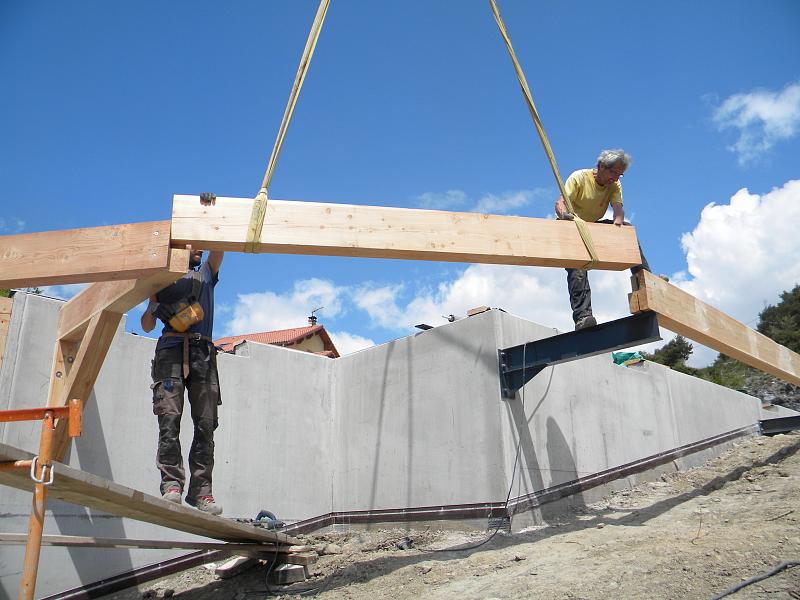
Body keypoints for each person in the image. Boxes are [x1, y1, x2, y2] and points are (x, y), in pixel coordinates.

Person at [141, 192, 224, 515]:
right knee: (169, 419)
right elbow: (147, 324)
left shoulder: (204, 274)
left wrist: (211, 214)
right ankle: (171, 485)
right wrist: (156, 303)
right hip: (170, 351)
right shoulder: (161, 278)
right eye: (192, 243)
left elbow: (219, 247)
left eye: (199, 244)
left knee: (205, 423)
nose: (199, 248)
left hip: (202, 352)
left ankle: (202, 493)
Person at [555, 149, 661, 330]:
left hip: (594, 226)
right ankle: (583, 317)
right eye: (613, 173)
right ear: (601, 166)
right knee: (577, 270)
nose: (616, 178)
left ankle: (647, 283)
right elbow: (560, 203)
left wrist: (617, 227)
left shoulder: (615, 185)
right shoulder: (579, 178)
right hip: (572, 226)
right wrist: (565, 217)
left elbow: (618, 212)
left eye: (620, 175)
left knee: (627, 230)